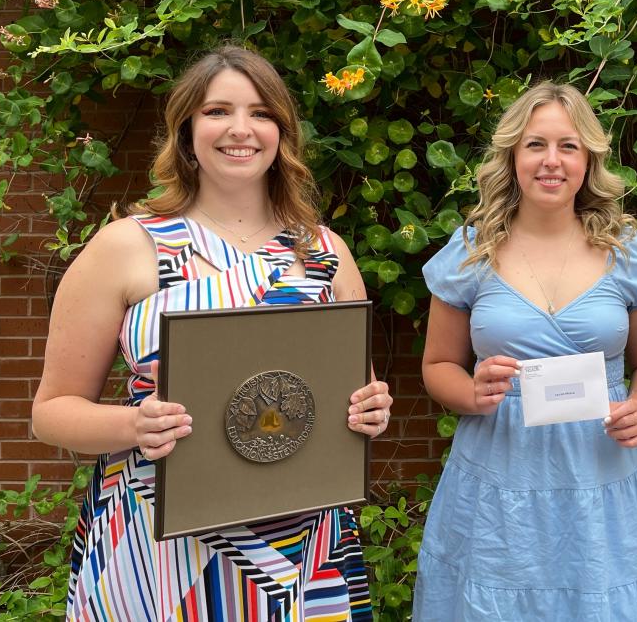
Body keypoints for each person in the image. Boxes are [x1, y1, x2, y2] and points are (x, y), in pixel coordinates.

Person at [32, 45, 392, 622]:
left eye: (260, 113)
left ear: (282, 131)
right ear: (186, 130)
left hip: (302, 547)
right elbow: (51, 412)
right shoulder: (128, 247)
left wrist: (371, 409)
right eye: (217, 111)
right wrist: (132, 423)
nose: (240, 129)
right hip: (158, 545)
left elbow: (356, 395)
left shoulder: (323, 252)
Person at [415, 81, 637, 619]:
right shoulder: (471, 251)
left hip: (601, 474)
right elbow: (437, 365)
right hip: (499, 477)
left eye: (569, 146)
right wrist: (472, 392)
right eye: (536, 145)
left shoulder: (628, 252)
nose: (551, 161)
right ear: (512, 155)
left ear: (589, 159)